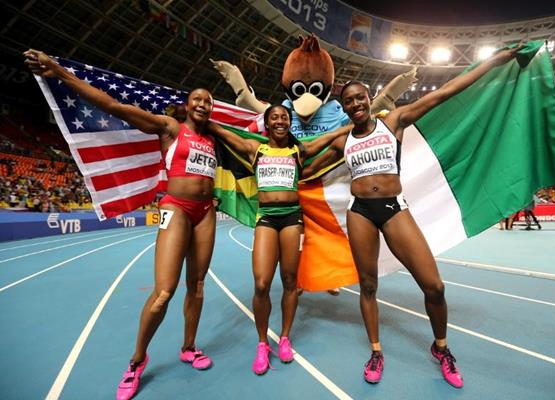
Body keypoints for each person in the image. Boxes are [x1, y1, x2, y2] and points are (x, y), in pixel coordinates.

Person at [303, 45, 523, 388]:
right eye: (349, 101)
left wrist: (497, 60)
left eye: (361, 98)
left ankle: (441, 348)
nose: (357, 104)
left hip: (393, 208)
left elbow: (447, 92)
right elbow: (304, 165)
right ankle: (376, 351)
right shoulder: (341, 141)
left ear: (369, 98)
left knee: (434, 286)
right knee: (368, 285)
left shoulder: (394, 121)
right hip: (359, 212)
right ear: (344, 108)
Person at [25, 49, 218, 400]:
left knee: (198, 285)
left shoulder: (212, 140)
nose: (203, 104)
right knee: (163, 293)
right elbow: (114, 107)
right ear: (187, 105)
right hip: (176, 207)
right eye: (197, 99)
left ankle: (189, 347)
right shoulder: (169, 127)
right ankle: (136, 361)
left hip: (206, 211)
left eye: (208, 101)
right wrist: (60, 73)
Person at [207, 104, 351, 374]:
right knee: (261, 283)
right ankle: (263, 343)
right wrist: (204, 121)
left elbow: (327, 140)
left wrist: (351, 126)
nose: (280, 121)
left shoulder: (299, 150)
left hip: (292, 219)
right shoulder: (256, 149)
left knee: (289, 280)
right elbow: (228, 136)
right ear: (268, 123)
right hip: (267, 219)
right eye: (275, 117)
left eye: (284, 117)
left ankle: (284, 337)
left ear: (289, 123)